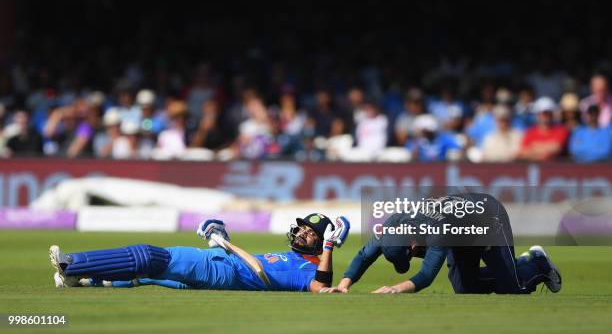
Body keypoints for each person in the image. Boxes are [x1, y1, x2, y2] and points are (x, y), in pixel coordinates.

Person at [49, 214, 349, 293]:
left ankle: (71, 264)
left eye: (310, 232)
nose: (301, 233)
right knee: (150, 275)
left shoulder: (307, 271)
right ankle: (83, 279)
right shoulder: (295, 259)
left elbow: (321, 285)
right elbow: (250, 262)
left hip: (220, 271)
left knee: (150, 256)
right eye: (301, 228)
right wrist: (222, 238)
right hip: (223, 268)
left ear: (321, 242)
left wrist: (329, 247)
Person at [334, 193, 561, 294]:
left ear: (413, 246)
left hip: (488, 219)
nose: (412, 257)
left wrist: (396, 288)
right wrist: (344, 285)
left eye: (410, 257)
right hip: (459, 231)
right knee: (466, 289)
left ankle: (538, 264)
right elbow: (364, 255)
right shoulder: (391, 226)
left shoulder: (436, 231)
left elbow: (427, 275)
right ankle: (512, 267)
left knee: (513, 289)